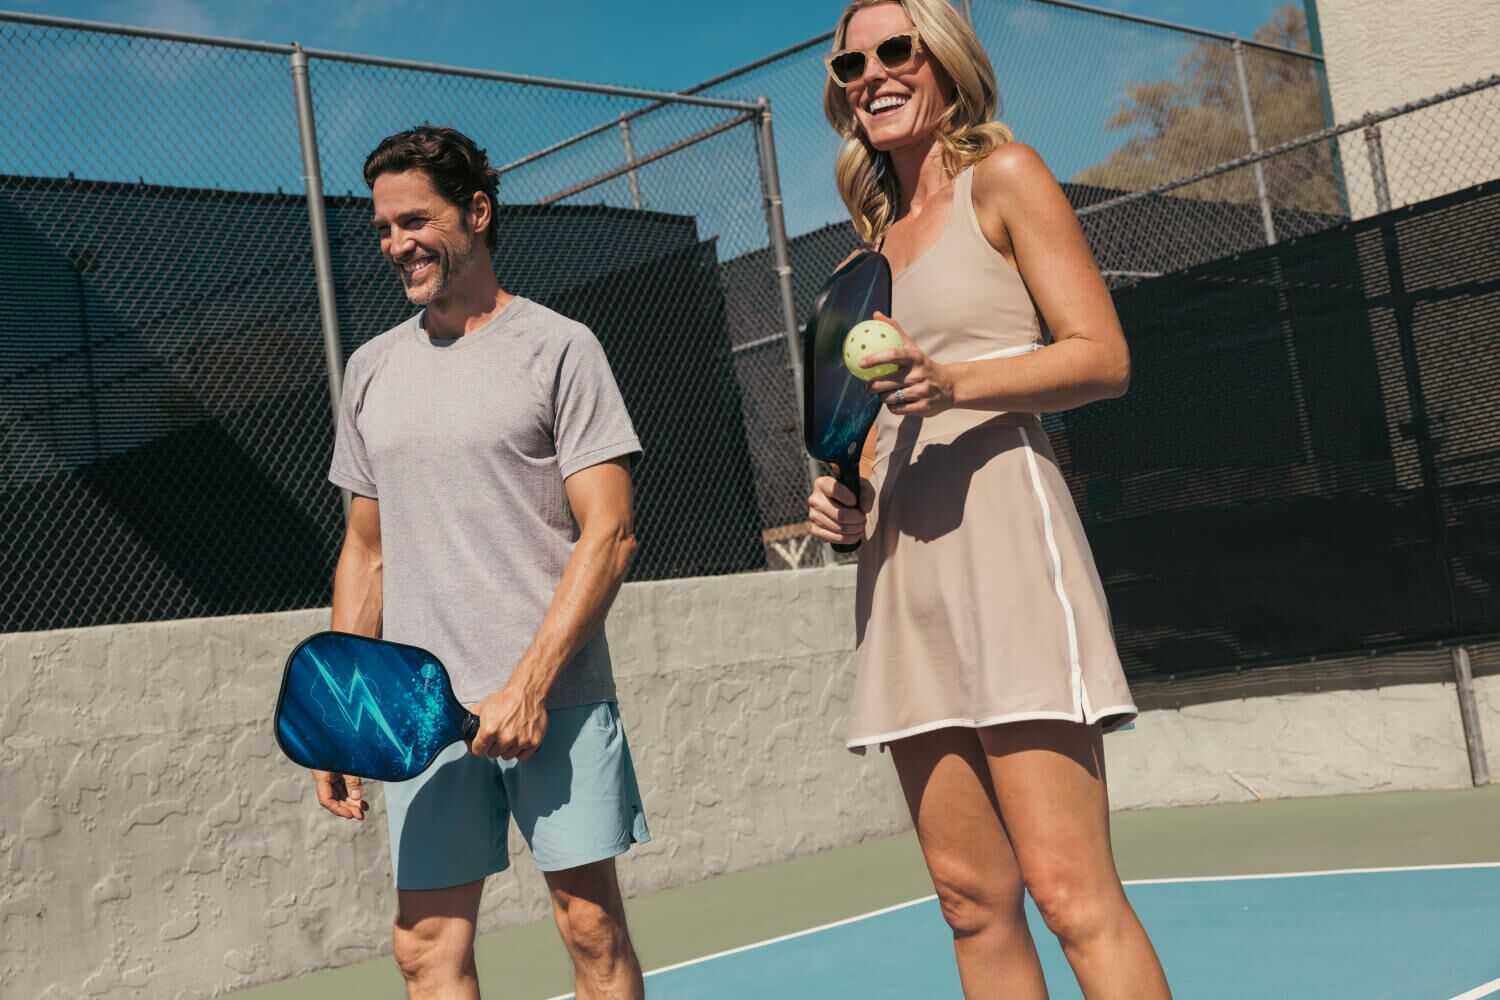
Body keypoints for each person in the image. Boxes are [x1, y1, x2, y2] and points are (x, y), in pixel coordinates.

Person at [807, 3, 1172, 996]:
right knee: (972, 903)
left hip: (1008, 543)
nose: (872, 73)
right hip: (900, 579)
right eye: (852, 61)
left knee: (1068, 891)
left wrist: (960, 382)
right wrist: (841, 505)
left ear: (946, 61)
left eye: (896, 50)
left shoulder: (1005, 181)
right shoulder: (855, 270)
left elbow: (1103, 356)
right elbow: (865, 433)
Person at [311, 124, 650, 1000]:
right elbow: (366, 550)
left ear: (478, 212)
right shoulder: (371, 370)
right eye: (383, 228)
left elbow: (608, 533)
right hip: (423, 716)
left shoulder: (560, 348)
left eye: (413, 220)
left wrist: (530, 684)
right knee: (424, 952)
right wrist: (347, 714)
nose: (395, 244)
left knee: (592, 931)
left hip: (556, 698)